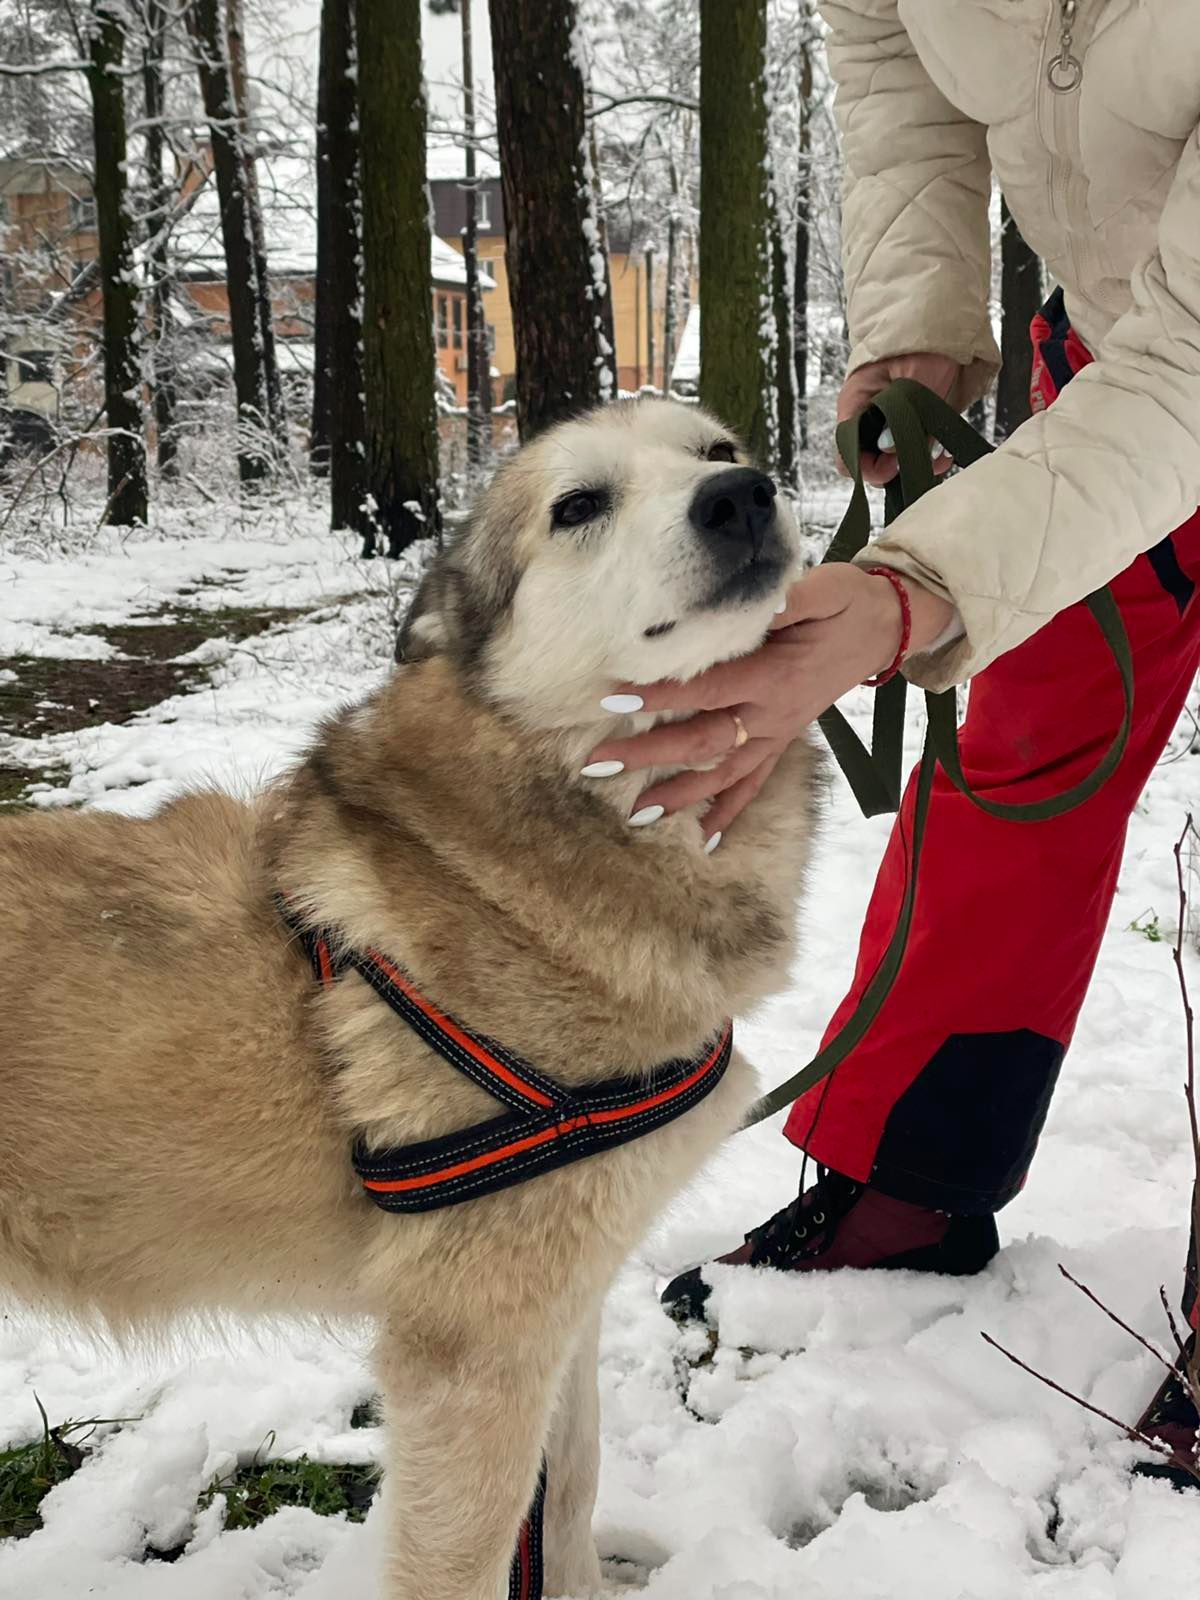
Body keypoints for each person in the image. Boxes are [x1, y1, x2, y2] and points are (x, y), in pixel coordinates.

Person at [584, 1, 1200, 1483]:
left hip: (1177, 362)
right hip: (1111, 363)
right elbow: (899, 73)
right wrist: (917, 334)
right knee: (1012, 763)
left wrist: (917, 587)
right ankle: (912, 1175)